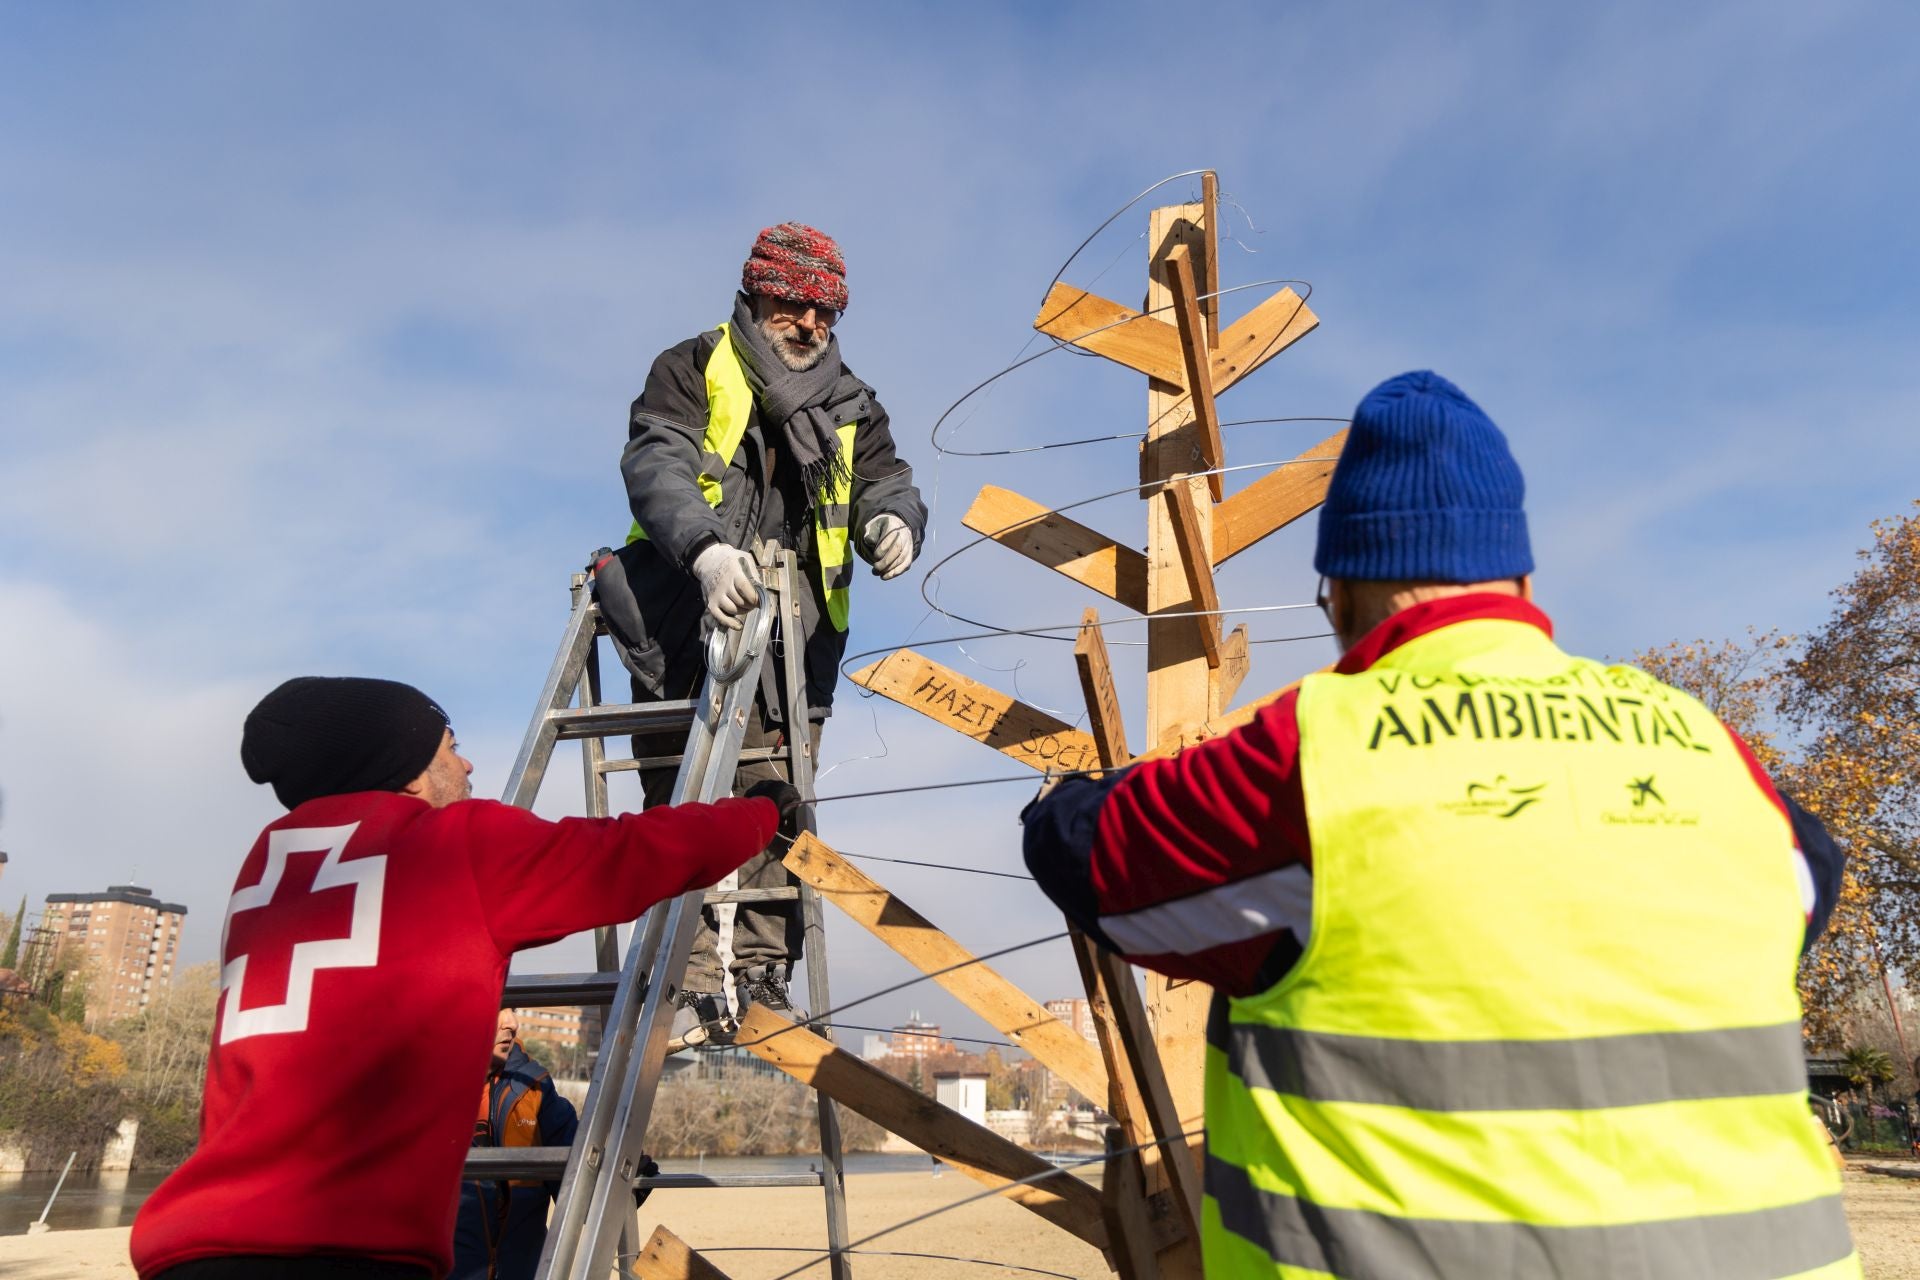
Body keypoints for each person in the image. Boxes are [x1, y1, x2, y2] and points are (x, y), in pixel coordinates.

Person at [1022, 371, 1860, 1278]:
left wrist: (1060, 791)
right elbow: (1811, 875)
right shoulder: (1711, 752)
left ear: (1338, 595)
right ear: (1522, 579)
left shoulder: (1311, 758)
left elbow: (1081, 846)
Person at [130, 675, 795, 1280]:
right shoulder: (452, 846)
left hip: (193, 1246)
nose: (468, 762)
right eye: (451, 746)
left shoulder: (267, 867)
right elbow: (634, 853)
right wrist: (760, 813)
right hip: (346, 1252)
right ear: (412, 770)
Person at [592, 222, 927, 1030]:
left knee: (779, 805)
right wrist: (704, 554)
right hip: (681, 620)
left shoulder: (854, 403)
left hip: (797, 637)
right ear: (756, 294)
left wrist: (898, 522)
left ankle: (766, 971)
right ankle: (691, 974)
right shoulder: (690, 367)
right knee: (678, 800)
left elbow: (888, 481)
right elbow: (657, 464)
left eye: (826, 312)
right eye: (793, 303)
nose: (810, 324)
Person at [450, 1010, 579, 1280]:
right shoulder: (418, 1089)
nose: (512, 1023)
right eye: (499, 1005)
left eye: (515, 1010)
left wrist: (616, 1166)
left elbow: (581, 1179)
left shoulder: (534, 1087)